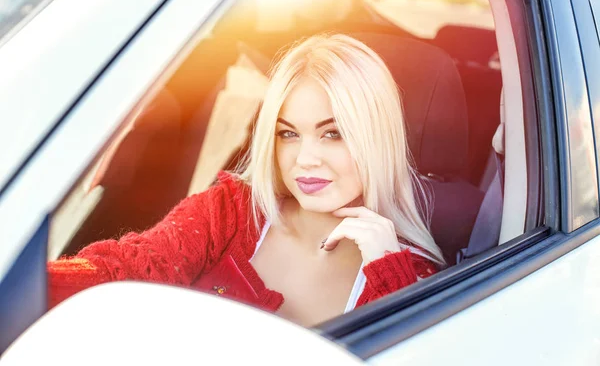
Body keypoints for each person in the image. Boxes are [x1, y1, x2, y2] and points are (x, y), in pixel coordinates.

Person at [48, 34, 445, 327]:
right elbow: (126, 270)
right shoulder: (232, 211)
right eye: (288, 134)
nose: (305, 160)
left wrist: (389, 277)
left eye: (333, 133)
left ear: (377, 136)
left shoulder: (413, 276)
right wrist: (23, 291)